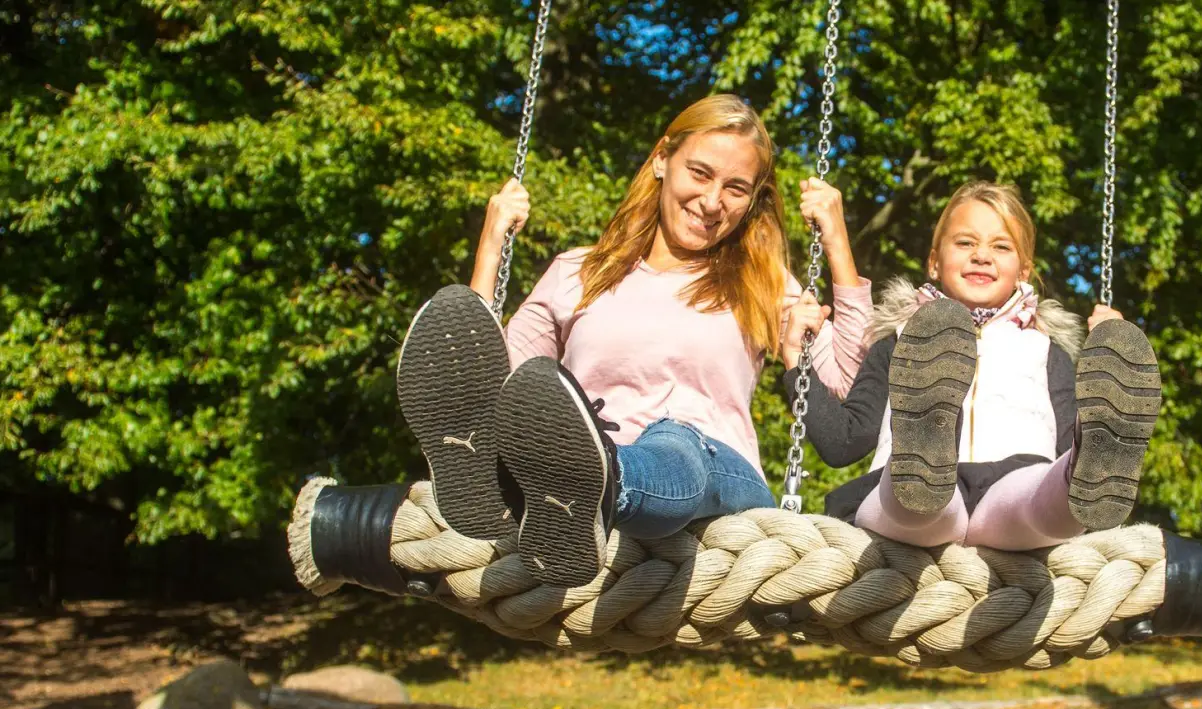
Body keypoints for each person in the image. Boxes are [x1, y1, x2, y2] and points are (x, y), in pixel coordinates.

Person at [396, 94, 870, 587]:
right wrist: (491, 246)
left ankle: (596, 485)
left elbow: (848, 391)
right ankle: (546, 488)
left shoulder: (761, 282)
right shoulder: (576, 273)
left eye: (736, 188)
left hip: (717, 478)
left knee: (675, 439)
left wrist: (835, 241)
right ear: (662, 159)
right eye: (701, 173)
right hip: (589, 472)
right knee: (533, 409)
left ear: (752, 199)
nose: (712, 202)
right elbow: (488, 381)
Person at [780, 181, 1162, 549]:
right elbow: (845, 441)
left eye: (1001, 246)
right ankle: (923, 462)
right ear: (934, 262)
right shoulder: (901, 338)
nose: (982, 255)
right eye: (965, 243)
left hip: (1014, 488)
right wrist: (797, 360)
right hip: (905, 510)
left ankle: (1088, 474)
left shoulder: (1047, 350)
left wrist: (1098, 417)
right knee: (913, 499)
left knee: (1042, 498)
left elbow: (1064, 442)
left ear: (1024, 272)